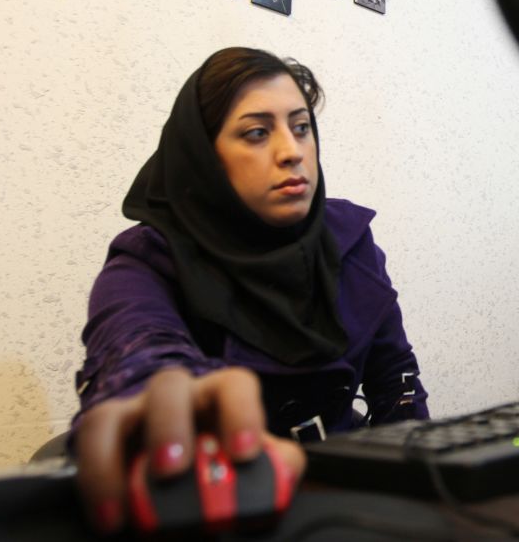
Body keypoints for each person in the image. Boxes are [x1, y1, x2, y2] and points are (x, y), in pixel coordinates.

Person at [71, 47, 428, 533]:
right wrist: (153, 385)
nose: (292, 152)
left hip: (353, 496)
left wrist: (424, 486)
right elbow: (135, 343)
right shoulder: (149, 258)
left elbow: (395, 380)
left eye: (301, 127)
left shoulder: (347, 238)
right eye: (257, 133)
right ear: (204, 157)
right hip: (230, 507)